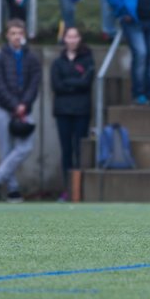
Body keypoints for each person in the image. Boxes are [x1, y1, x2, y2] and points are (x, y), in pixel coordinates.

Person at [0, 18, 41, 203]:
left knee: (25, 147)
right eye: (13, 33)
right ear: (7, 36)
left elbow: (34, 84)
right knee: (7, 150)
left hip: (25, 109)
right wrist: (14, 105)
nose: (17, 37)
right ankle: (13, 190)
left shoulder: (31, 58)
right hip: (4, 108)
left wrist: (24, 104)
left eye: (20, 33)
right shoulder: (0, 58)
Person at [52, 26, 95, 201]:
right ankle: (67, 190)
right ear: (64, 39)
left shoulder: (87, 60)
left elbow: (86, 83)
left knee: (80, 150)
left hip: (81, 111)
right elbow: (57, 85)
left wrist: (68, 83)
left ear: (79, 39)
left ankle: (79, 191)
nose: (72, 40)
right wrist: (75, 83)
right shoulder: (58, 62)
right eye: (68, 36)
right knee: (66, 151)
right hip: (63, 111)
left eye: (75, 36)